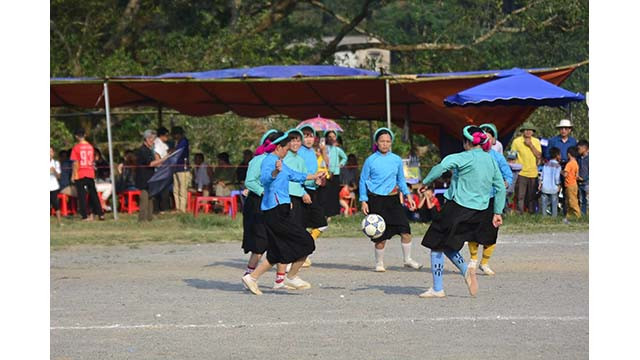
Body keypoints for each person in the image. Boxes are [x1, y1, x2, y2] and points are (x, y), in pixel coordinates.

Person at [418, 126, 505, 298]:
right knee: (448, 245)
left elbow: (440, 168)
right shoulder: (491, 160)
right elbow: (500, 188)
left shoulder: (462, 157)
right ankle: (466, 271)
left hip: (456, 208)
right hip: (479, 212)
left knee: (436, 244)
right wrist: (497, 212)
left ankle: (438, 288)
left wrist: (426, 182)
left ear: (466, 142)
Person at [241, 131, 325, 295]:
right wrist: (275, 173)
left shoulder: (281, 161)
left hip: (282, 209)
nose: (288, 151)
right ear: (279, 147)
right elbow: (265, 179)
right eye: (286, 148)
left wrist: (314, 176)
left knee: (278, 250)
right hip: (275, 210)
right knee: (307, 242)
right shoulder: (269, 161)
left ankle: (252, 278)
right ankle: (291, 276)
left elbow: (295, 176)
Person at [359, 127, 421, 272]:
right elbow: (362, 181)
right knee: (380, 235)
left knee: (405, 230)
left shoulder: (396, 160)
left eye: (388, 141)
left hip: (393, 200)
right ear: (377, 142)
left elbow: (401, 180)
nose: (385, 144)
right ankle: (379, 263)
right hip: (376, 201)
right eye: (382, 141)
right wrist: (363, 200)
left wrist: (408, 196)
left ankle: (407, 259)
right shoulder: (370, 160)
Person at [467, 127, 512, 276]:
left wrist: (505, 183)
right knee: (473, 230)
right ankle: (473, 260)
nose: (486, 140)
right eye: (483, 137)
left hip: (493, 199)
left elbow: (508, 175)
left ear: (494, 140)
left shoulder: (497, 157)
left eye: (489, 137)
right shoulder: (471, 155)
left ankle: (484, 262)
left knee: (491, 231)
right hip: (475, 199)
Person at [242, 129, 279, 278]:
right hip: (257, 203)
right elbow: (250, 182)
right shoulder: (258, 160)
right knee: (260, 243)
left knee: (277, 238)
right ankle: (250, 274)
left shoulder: (278, 161)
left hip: (272, 202)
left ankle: (282, 276)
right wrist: (263, 191)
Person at [297, 125, 330, 268]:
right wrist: (302, 191)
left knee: (321, 224)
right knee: (301, 225)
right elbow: (296, 175)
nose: (308, 139)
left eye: (311, 135)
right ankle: (300, 254)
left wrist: (317, 180)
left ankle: (303, 249)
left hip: (312, 191)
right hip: (301, 191)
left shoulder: (312, 153)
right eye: (305, 135)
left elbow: (316, 172)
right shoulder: (299, 153)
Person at [70, 128, 104, 221]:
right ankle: (100, 213)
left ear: (76, 136)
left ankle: (85, 215)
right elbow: (92, 160)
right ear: (84, 135)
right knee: (93, 194)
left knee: (81, 195)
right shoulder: (90, 147)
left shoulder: (76, 148)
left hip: (81, 172)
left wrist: (73, 175)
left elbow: (75, 163)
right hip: (90, 172)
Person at [135, 130, 168, 222]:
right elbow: (150, 163)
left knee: (150, 198)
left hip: (150, 177)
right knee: (144, 198)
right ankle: (142, 219)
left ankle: (149, 217)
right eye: (152, 139)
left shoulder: (149, 150)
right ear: (147, 139)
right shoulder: (143, 150)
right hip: (143, 178)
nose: (153, 141)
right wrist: (163, 159)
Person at [510, 121, 542, 214]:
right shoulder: (517, 141)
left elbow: (539, 155)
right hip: (521, 172)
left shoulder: (536, 141)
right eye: (526, 130)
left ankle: (531, 212)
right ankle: (520, 212)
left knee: (531, 195)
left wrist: (531, 145)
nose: (528, 132)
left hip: (533, 172)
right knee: (520, 195)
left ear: (533, 132)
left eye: (530, 130)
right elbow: (512, 156)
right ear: (522, 131)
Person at [321, 130, 347, 218]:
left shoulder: (337, 149)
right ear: (326, 138)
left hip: (335, 174)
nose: (332, 138)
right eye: (330, 137)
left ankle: (335, 213)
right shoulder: (324, 148)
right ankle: (326, 213)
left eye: (333, 136)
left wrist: (341, 164)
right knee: (326, 194)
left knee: (334, 194)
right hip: (326, 173)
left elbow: (344, 157)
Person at [171, 126, 191, 213]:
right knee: (175, 189)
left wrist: (172, 150)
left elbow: (178, 151)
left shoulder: (184, 141)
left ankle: (182, 208)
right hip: (175, 168)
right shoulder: (177, 142)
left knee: (182, 188)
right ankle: (177, 207)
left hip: (183, 168)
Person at [539, 147, 562, 217]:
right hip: (553, 188)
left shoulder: (545, 165)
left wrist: (540, 184)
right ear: (557, 155)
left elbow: (542, 176)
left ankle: (544, 216)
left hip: (545, 187)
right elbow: (557, 177)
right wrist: (558, 185)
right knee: (554, 203)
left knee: (544, 203)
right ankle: (554, 217)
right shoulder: (558, 166)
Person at [153, 127, 172, 213]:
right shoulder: (157, 143)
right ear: (162, 135)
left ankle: (164, 207)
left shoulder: (164, 144)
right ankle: (160, 208)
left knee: (165, 189)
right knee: (162, 190)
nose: (168, 137)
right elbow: (157, 155)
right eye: (166, 135)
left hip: (165, 168)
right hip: (160, 169)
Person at [563, 146, 581, 221]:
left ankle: (578, 215)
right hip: (574, 184)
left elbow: (565, 174)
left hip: (569, 184)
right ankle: (569, 215)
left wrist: (561, 171)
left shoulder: (569, 164)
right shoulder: (576, 163)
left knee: (572, 201)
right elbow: (577, 175)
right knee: (569, 200)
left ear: (569, 154)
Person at [93, 148, 113, 212]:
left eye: (96, 155)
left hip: (100, 183)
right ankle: (102, 203)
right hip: (91, 184)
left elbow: (106, 174)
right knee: (110, 187)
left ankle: (102, 202)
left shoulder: (103, 163)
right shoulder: (89, 163)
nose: (94, 156)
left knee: (111, 187)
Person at [50, 147, 62, 225]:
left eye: (51, 151)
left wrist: (54, 171)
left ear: (53, 153)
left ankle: (59, 222)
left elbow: (59, 177)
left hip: (54, 186)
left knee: (56, 204)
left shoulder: (56, 163)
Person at [577, 140, 589, 215]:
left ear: (584, 148)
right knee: (582, 200)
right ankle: (583, 214)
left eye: (579, 148)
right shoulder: (579, 158)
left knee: (588, 200)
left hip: (587, 183)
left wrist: (585, 178)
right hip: (580, 182)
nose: (578, 150)